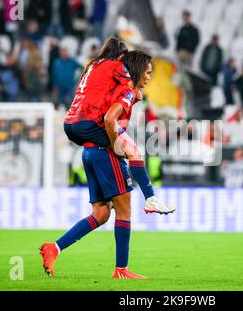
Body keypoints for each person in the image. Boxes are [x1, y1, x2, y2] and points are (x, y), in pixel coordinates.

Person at [40, 51, 170, 280]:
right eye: (147, 72)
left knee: (100, 214)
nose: (149, 77)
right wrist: (115, 144)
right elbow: (111, 118)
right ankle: (121, 269)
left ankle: (54, 248)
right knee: (125, 207)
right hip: (105, 153)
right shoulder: (127, 90)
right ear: (138, 70)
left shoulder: (115, 87)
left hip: (89, 152)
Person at [63, 38, 174, 214]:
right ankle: (150, 198)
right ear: (121, 57)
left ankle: (56, 244)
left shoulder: (92, 66)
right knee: (131, 151)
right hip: (92, 123)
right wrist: (115, 144)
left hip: (71, 123)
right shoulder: (116, 67)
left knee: (100, 214)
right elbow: (131, 93)